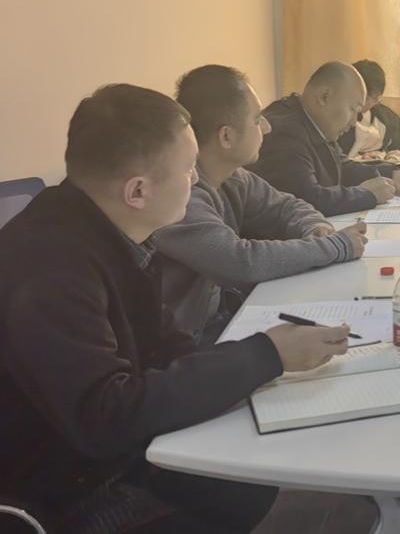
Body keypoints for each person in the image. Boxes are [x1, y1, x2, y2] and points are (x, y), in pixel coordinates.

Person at [0, 84, 350, 533]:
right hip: (68, 495)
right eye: (188, 170)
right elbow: (106, 416)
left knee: (252, 485)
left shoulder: (113, 235)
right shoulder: (51, 267)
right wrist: (267, 355)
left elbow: (167, 346)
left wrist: (267, 361)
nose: (196, 182)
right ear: (138, 191)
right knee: (256, 491)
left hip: (113, 458)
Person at [157, 65, 370, 344]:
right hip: (187, 345)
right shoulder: (181, 195)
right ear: (226, 136)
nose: (268, 127)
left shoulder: (234, 177)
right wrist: (335, 246)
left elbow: (286, 205)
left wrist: (314, 226)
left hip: (222, 319)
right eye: (257, 120)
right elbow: (239, 260)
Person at [248, 61, 400, 216]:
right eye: (353, 109)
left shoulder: (312, 121)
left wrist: (391, 172)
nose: (354, 121)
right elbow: (307, 199)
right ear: (324, 97)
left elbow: (340, 165)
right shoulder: (284, 132)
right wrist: (366, 194)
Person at [337, 59, 400, 163]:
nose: (360, 101)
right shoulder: (335, 117)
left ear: (378, 98)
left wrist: (385, 160)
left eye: (366, 98)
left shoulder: (389, 119)